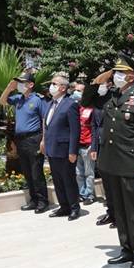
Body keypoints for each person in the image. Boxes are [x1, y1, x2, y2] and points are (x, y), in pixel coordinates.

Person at [83, 54, 134, 268]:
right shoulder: (112, 96)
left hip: (131, 162)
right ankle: (126, 248)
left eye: (120, 73)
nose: (116, 77)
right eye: (115, 73)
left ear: (132, 77)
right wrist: (99, 79)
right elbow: (86, 101)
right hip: (111, 162)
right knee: (119, 210)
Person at [0, 71, 49, 213]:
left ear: (31, 84)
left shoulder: (38, 99)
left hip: (34, 138)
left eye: (22, 82)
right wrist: (9, 88)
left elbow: (45, 120)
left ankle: (42, 201)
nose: (20, 85)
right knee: (27, 171)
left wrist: (44, 140)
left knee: (36, 172)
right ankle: (33, 200)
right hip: (21, 140)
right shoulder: (18, 98)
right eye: (19, 82)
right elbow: (2, 101)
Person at [42, 72, 80, 221]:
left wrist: (72, 151)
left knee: (68, 179)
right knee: (57, 180)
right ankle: (64, 206)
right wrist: (44, 142)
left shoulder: (70, 104)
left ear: (63, 88)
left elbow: (75, 130)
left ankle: (74, 207)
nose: (51, 87)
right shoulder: (50, 103)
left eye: (54, 84)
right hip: (52, 149)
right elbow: (48, 125)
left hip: (65, 150)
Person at [89, 80, 116, 228]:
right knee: (106, 182)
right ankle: (111, 212)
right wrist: (94, 148)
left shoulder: (115, 98)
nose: (100, 86)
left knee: (114, 183)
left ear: (110, 84)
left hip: (112, 145)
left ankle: (119, 215)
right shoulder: (97, 101)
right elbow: (94, 125)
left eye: (103, 83)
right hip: (100, 146)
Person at [72, 81, 96, 205]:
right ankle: (82, 193)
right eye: (75, 90)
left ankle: (90, 194)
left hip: (88, 144)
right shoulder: (75, 107)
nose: (76, 93)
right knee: (78, 173)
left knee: (89, 172)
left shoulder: (91, 109)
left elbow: (94, 128)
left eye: (80, 91)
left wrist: (93, 146)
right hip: (77, 145)